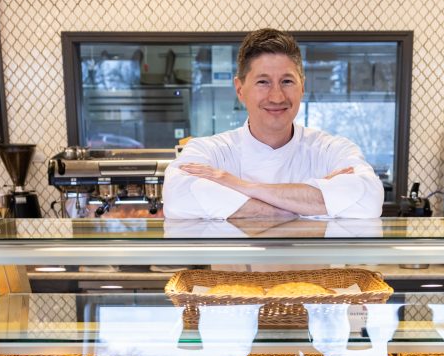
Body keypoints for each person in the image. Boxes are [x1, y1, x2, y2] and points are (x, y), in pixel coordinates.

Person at [163, 28, 384, 220]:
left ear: (302, 87)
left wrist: (241, 186)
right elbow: (177, 197)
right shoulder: (210, 151)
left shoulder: (330, 150)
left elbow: (369, 198)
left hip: (312, 261)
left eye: (287, 81)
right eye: (263, 82)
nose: (277, 97)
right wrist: (302, 206)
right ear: (240, 89)